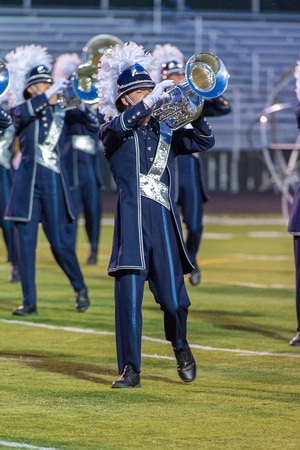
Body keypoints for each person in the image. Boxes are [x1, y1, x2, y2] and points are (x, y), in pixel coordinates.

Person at [97, 42, 215, 388]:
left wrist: (193, 104)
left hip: (163, 226)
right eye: (142, 92)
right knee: (129, 304)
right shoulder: (112, 131)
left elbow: (204, 142)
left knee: (176, 302)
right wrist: (149, 104)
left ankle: (180, 346)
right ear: (125, 100)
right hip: (132, 224)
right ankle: (130, 369)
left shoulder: (166, 130)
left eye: (151, 89)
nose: (151, 95)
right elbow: (116, 129)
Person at [4, 44, 91, 316]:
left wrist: (87, 100)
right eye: (40, 85)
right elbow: (19, 116)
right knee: (25, 248)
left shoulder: (63, 112)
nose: (46, 88)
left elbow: (90, 124)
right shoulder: (22, 110)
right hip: (26, 187)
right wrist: (48, 95)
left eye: (48, 83)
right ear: (30, 89)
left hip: (53, 185)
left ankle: (79, 287)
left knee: (60, 245)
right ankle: (29, 301)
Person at [151, 44, 231, 286]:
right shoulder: (157, 101)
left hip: (191, 166)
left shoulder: (195, 98)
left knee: (195, 225)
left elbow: (225, 108)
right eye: (171, 77)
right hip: (170, 163)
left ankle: (191, 260)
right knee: (170, 220)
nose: (176, 81)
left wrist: (199, 89)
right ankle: (173, 265)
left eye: (179, 76)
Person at [53, 53, 103, 265]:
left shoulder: (92, 102)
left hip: (90, 164)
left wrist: (85, 104)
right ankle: (69, 250)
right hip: (70, 163)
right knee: (70, 210)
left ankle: (94, 247)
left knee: (93, 209)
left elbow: (97, 123)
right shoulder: (63, 104)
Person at [0, 98, 20, 282]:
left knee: (6, 221)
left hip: (2, 168)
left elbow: (7, 122)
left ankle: (16, 263)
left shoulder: (6, 106)